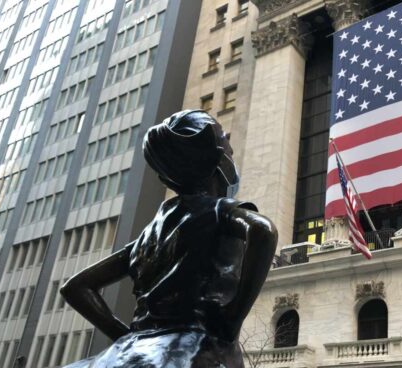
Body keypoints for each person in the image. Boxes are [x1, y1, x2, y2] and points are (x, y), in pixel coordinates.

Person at [60, 110, 277, 368]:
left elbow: (75, 287)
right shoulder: (220, 211)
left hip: (131, 351)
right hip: (194, 350)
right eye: (226, 144)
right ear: (219, 161)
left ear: (166, 178)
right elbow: (263, 231)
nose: (230, 146)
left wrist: (125, 336)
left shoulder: (148, 234)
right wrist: (233, 317)